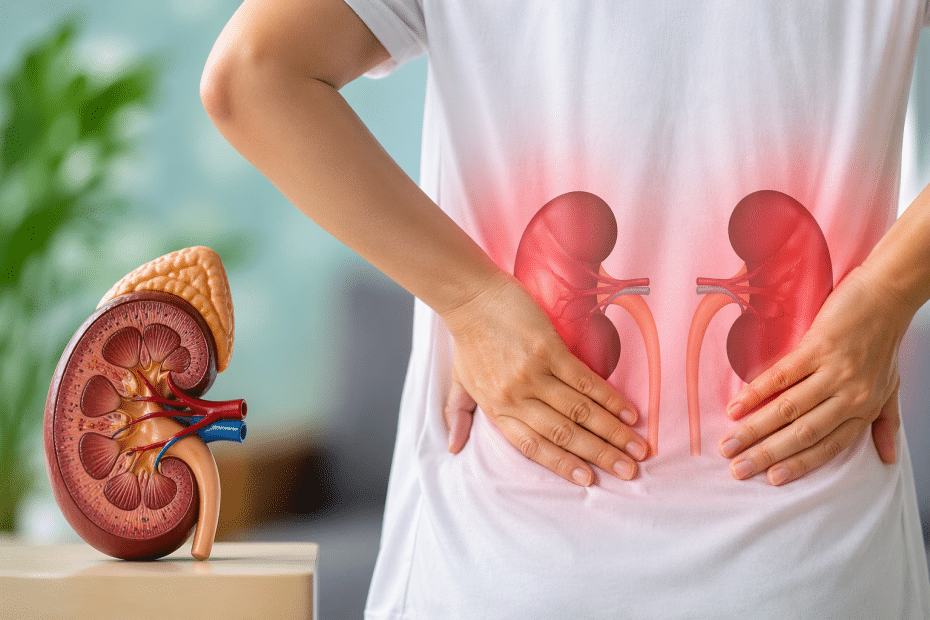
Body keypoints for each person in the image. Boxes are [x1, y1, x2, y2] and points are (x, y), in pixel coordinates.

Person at [201, 1, 930, 617]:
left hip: (506, 561)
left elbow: (254, 75)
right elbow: (251, 78)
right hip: (812, 560)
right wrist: (887, 290)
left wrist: (472, 298)